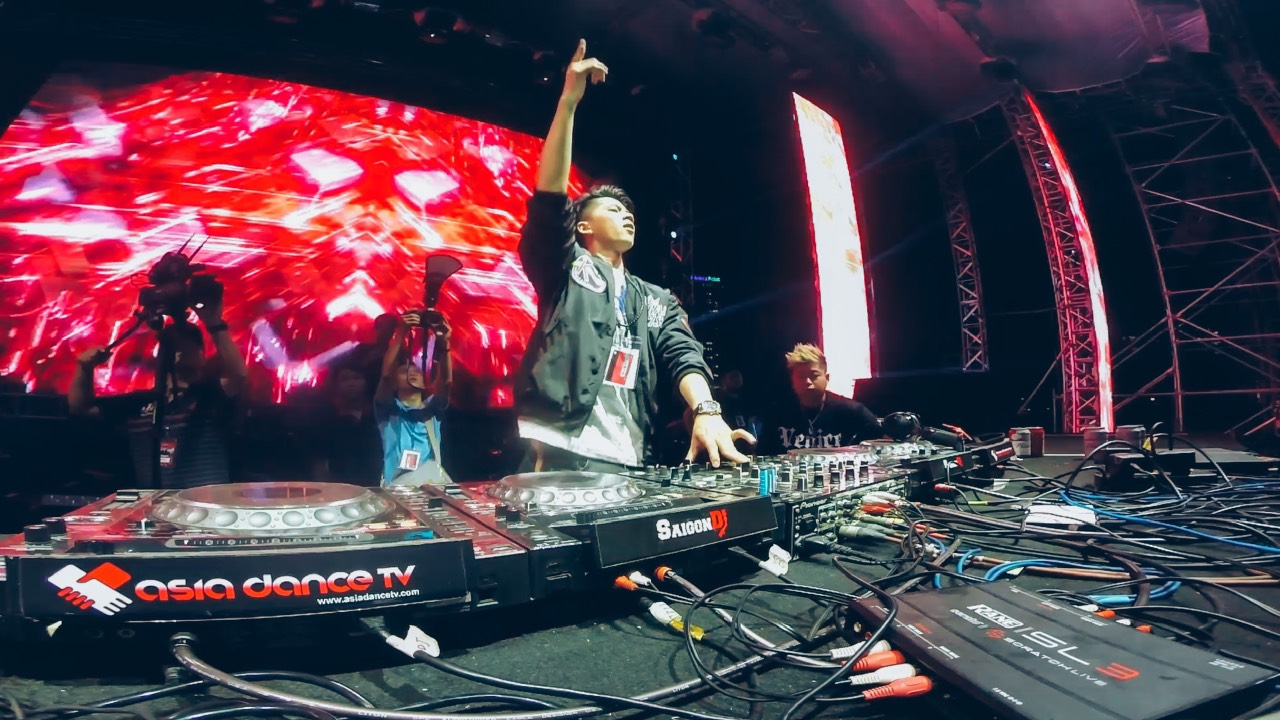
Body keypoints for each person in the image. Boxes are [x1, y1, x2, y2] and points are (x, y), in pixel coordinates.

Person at [515, 39, 752, 472]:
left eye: (628, 212)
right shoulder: (567, 268)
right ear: (583, 227)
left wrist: (705, 409)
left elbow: (682, 353)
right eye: (611, 209)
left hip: (630, 456)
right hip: (565, 448)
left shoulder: (655, 298)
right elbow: (549, 200)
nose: (626, 215)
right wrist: (568, 103)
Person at [69, 301, 248, 489]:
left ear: (202, 356)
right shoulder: (140, 403)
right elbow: (81, 407)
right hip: (156, 503)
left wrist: (215, 325)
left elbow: (239, 375)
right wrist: (84, 368)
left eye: (187, 344)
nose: (179, 350)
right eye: (172, 346)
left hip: (205, 503)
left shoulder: (209, 396)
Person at [375, 311, 452, 486]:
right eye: (404, 371)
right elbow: (386, 376)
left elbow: (446, 382)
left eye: (417, 370)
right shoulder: (389, 410)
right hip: (397, 488)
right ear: (395, 384)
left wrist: (444, 344)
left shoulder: (431, 411)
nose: (413, 372)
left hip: (430, 486)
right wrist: (401, 332)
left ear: (425, 383)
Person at [766, 343, 881, 452]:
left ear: (827, 378)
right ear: (793, 380)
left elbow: (880, 435)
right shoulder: (777, 413)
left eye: (814, 375)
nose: (808, 381)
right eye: (801, 376)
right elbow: (764, 453)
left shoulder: (851, 410)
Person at [309, 361, 383, 486]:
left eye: (356, 378)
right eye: (345, 379)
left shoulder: (379, 417)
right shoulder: (326, 420)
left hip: (376, 487)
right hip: (339, 489)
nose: (351, 383)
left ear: (366, 382)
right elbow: (319, 463)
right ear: (336, 385)